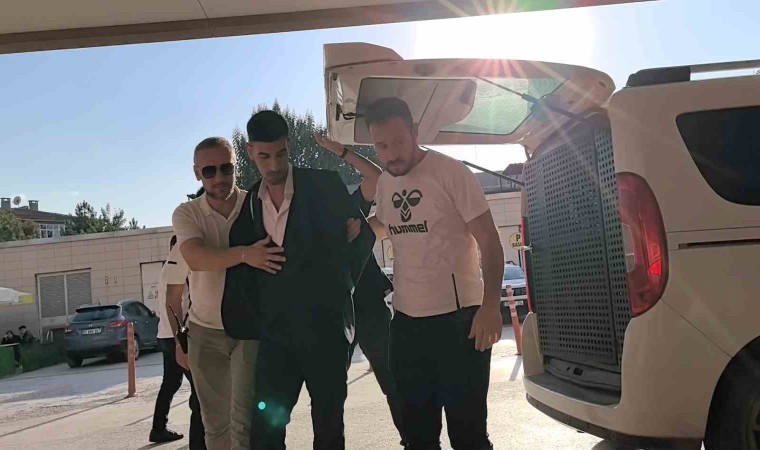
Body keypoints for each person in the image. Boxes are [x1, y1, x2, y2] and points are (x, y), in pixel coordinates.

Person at [222, 110, 375, 450]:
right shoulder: (250, 205)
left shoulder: (324, 185)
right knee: (266, 432)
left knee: (329, 429)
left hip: (326, 334)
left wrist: (339, 293)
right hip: (277, 341)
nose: (274, 164)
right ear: (250, 151)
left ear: (288, 145)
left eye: (280, 154)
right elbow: (242, 270)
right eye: (264, 156)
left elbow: (362, 239)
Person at [363, 97, 505, 450]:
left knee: (468, 437)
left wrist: (490, 307)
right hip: (407, 326)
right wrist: (355, 230)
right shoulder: (385, 183)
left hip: (460, 322)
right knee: (418, 438)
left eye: (398, 142)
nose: (391, 154)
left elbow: (490, 241)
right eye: (382, 146)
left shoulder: (451, 172)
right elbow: (385, 223)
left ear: (414, 132)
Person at [173, 136, 285, 450]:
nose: (219, 177)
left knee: (243, 421)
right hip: (204, 331)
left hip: (248, 329)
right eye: (209, 171)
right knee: (214, 424)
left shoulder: (258, 205)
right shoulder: (187, 213)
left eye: (226, 168)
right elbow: (196, 258)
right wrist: (246, 254)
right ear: (197, 173)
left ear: (237, 166)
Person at [314, 134, 406, 447]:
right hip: (333, 315)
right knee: (329, 392)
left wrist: (339, 150)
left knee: (393, 381)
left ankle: (413, 440)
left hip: (369, 309)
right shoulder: (303, 224)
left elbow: (376, 177)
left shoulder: (349, 209)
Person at [149, 234, 206, 448]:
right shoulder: (179, 269)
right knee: (200, 389)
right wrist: (182, 342)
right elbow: (179, 306)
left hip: (165, 334)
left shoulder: (165, 270)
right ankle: (199, 442)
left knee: (171, 383)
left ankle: (158, 428)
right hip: (177, 336)